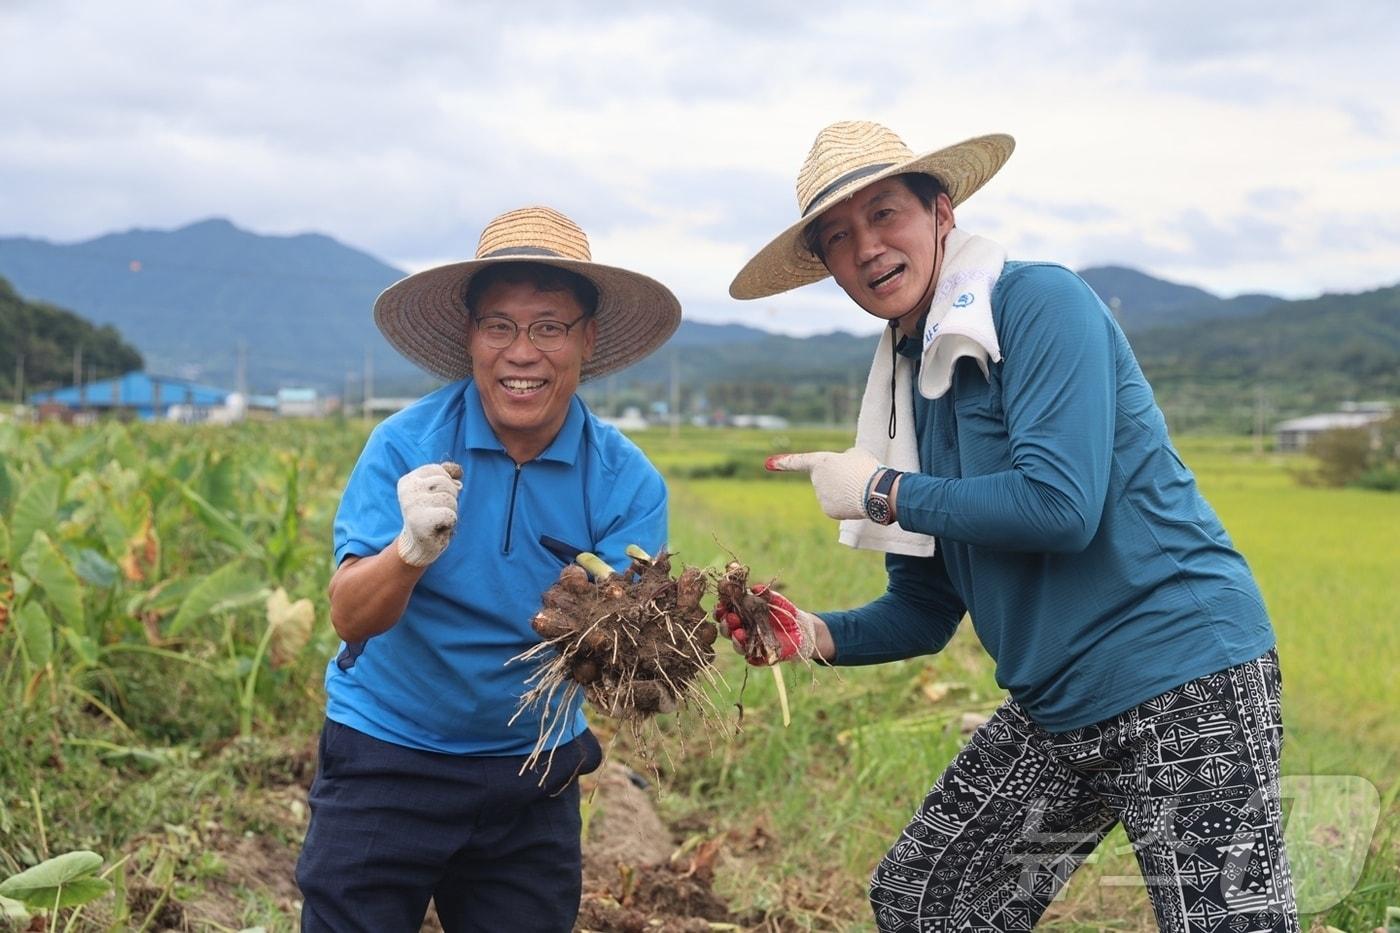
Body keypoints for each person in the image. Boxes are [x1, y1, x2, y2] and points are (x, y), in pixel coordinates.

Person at [720, 121, 1298, 932]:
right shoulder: (906, 386)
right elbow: (924, 608)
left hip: (1179, 675)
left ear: (941, 213)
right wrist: (810, 633)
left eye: (886, 215)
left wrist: (882, 489)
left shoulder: (1036, 303)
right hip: (1060, 706)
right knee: (929, 898)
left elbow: (1059, 505)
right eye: (840, 238)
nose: (869, 248)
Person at [295, 206, 682, 932]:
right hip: (389, 751)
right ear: (470, 337)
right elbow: (349, 615)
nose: (521, 351)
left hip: (533, 767)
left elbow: (632, 648)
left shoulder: (624, 481)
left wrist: (643, 631)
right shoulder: (404, 445)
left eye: (549, 326)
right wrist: (408, 552)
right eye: (499, 325)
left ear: (587, 339)